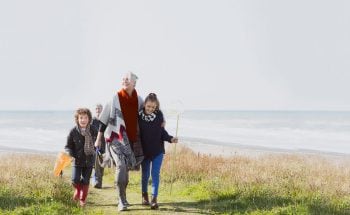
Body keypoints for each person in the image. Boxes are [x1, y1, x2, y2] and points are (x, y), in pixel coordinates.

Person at [95, 72, 144, 211]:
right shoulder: (114, 98)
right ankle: (121, 201)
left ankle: (123, 196)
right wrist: (98, 139)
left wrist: (162, 121)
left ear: (134, 83)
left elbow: (147, 114)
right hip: (115, 138)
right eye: (123, 79)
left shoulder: (139, 100)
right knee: (121, 165)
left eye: (127, 79)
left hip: (131, 141)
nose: (124, 81)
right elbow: (103, 120)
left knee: (126, 168)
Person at [138, 93, 178, 209]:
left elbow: (162, 133)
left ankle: (154, 199)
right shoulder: (139, 116)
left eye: (153, 107)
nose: (150, 109)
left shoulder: (159, 116)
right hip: (144, 152)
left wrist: (170, 138)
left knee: (155, 174)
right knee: (145, 175)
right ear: (144, 104)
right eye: (148, 106)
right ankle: (144, 196)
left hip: (157, 151)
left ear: (156, 107)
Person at [65, 108, 97, 207]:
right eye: (81, 118)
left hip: (89, 160)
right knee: (75, 180)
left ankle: (82, 199)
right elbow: (68, 146)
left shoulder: (93, 130)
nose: (83, 120)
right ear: (77, 119)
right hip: (77, 160)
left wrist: (101, 150)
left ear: (89, 119)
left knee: (86, 180)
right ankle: (78, 192)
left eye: (85, 117)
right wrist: (70, 154)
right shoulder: (73, 131)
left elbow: (100, 141)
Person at [91, 104, 105, 189]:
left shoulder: (105, 120)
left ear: (102, 109)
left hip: (104, 144)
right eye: (96, 108)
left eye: (99, 108)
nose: (98, 110)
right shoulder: (93, 120)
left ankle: (99, 181)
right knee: (95, 164)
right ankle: (95, 181)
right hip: (95, 144)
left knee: (102, 164)